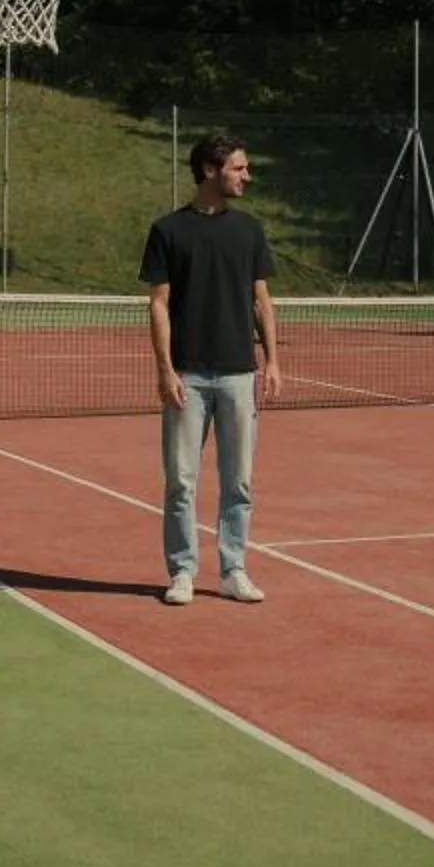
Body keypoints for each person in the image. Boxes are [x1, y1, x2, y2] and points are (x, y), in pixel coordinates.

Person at [141, 132, 284, 605]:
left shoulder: (249, 231)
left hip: (240, 375)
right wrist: (166, 370)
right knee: (180, 482)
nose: (247, 176)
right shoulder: (167, 231)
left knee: (238, 482)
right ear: (209, 170)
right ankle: (182, 572)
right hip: (188, 377)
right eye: (238, 168)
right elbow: (159, 304)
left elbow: (261, 300)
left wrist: (272, 361)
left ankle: (233, 570)